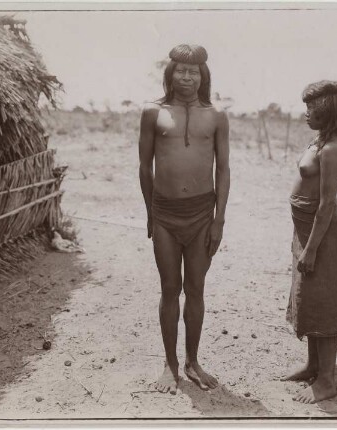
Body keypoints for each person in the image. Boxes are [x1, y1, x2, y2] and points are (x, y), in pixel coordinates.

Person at [138, 44, 230, 394]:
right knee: (169, 290)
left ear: (203, 75)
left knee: (195, 289)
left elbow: (223, 169)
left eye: (194, 71)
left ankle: (192, 361)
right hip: (164, 214)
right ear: (170, 74)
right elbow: (145, 167)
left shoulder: (217, 114)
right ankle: (170, 365)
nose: (187, 77)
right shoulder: (152, 111)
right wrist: (150, 212)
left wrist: (219, 219)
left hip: (201, 215)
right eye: (181, 70)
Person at [282, 81, 337, 404]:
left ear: (328, 110)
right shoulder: (320, 140)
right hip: (307, 232)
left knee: (324, 301)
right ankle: (314, 365)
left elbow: (327, 204)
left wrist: (311, 248)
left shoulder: (333, 148)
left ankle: (326, 381)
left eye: (312, 107)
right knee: (309, 297)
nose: (306, 113)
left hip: (323, 236)